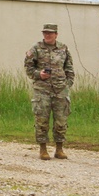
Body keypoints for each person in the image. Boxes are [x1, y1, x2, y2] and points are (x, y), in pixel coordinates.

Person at [24, 23, 75, 160]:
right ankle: (43, 149)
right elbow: (28, 68)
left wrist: (67, 84)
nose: (47, 35)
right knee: (42, 120)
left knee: (61, 121)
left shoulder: (63, 48)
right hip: (42, 90)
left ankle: (59, 149)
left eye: (50, 33)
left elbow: (69, 68)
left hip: (60, 90)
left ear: (56, 35)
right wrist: (38, 74)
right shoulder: (36, 48)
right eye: (45, 33)